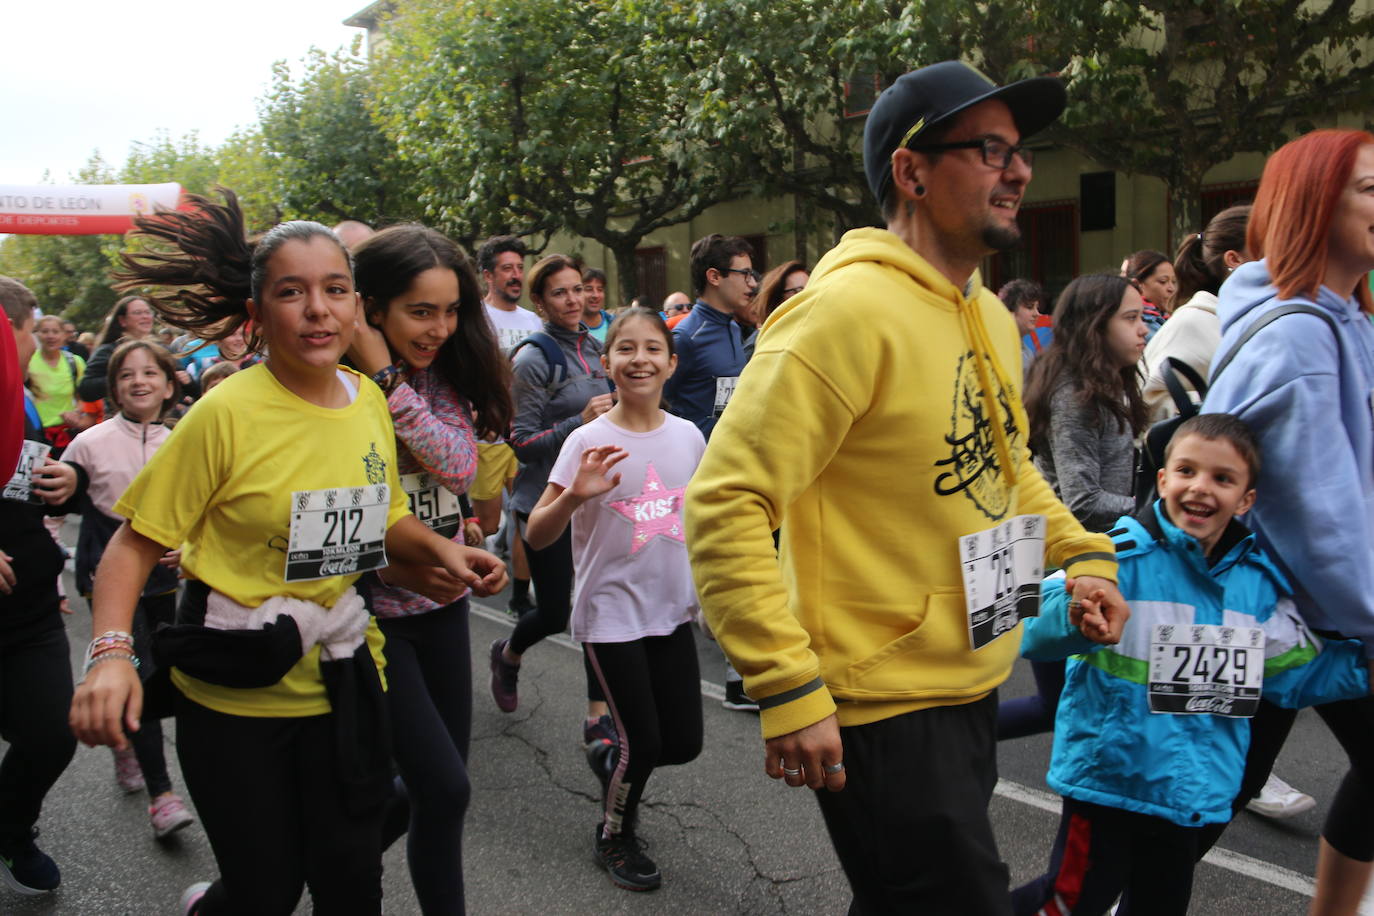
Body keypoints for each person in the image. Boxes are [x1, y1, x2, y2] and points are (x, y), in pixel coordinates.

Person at [685, 60, 1130, 913]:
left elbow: (1007, 476)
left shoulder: (991, 315)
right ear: (913, 171)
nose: (1021, 170)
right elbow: (725, 501)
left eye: (1020, 151)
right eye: (991, 149)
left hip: (969, 676)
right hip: (877, 702)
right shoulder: (840, 314)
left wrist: (1085, 556)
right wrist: (785, 683)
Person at [67, 190, 507, 916]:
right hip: (237, 695)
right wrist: (111, 655)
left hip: (345, 684)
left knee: (351, 884)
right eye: (292, 292)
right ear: (258, 313)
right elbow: (131, 547)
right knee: (266, 893)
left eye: (335, 290)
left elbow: (383, 512)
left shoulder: (368, 398)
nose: (317, 310)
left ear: (356, 306)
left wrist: (442, 551)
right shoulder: (223, 414)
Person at [1013, 414, 1370, 916]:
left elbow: (1295, 671)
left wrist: (1362, 669)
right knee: (1069, 902)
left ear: (1247, 499)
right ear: (1163, 479)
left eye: (1223, 479)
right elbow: (1027, 624)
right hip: (1108, 783)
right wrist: (1074, 616)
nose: (1201, 488)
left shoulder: (1258, 586)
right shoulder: (1117, 557)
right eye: (1187, 471)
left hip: (1193, 792)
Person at [1200, 129, 1374, 916]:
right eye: (1370, 189)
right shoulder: (1305, 333)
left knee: (1196, 803)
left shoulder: (1341, 319)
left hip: (1297, 616)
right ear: (1314, 204)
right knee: (1187, 806)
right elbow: (1325, 526)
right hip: (1291, 612)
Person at [347, 224, 511, 915]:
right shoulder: (337, 385)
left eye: (451, 310)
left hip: (443, 612)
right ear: (372, 310)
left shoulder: (441, 377)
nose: (441, 328)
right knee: (442, 788)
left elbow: (458, 468)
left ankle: (295, 872)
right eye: (422, 311)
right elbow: (315, 519)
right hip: (363, 622)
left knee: (436, 795)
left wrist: (458, 532)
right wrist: (382, 376)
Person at [526, 307, 705, 892]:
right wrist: (574, 495)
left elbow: (701, 521)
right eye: (625, 349)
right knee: (646, 741)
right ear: (606, 364)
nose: (639, 359)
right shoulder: (587, 440)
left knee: (682, 742)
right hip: (610, 615)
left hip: (671, 610)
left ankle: (612, 756)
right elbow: (537, 534)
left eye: (653, 348)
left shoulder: (689, 436)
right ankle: (614, 835)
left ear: (671, 363)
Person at [996, 275, 1148, 744]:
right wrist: (1149, 516)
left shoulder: (1109, 383)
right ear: (1095, 326)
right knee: (1056, 702)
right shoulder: (1073, 393)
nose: (1145, 329)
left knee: (1075, 699)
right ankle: (948, 745)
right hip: (1055, 565)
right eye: (1131, 318)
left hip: (1083, 559)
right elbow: (1081, 500)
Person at [61, 339, 195, 840]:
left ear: (168, 382)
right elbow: (62, 502)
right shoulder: (90, 442)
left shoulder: (184, 440)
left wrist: (192, 550)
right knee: (134, 670)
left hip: (164, 581)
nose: (139, 382)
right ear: (114, 387)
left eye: (149, 373)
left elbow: (203, 513)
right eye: (126, 375)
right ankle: (162, 797)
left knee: (163, 678)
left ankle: (127, 734)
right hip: (106, 580)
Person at [489, 255, 616, 756]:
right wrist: (580, 422)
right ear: (539, 303)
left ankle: (598, 721)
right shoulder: (533, 359)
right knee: (557, 612)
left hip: (595, 504)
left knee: (594, 611)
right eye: (560, 293)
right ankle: (509, 652)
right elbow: (521, 443)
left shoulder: (596, 347)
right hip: (545, 502)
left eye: (578, 290)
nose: (573, 300)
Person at [0, 276, 83, 895]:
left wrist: (65, 480)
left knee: (53, 731)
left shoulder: (21, 397)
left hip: (29, 604)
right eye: (32, 326)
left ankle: (10, 827)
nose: (36, 338)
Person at [665, 234, 760, 711]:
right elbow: (652, 399)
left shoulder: (737, 329)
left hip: (737, 470)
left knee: (737, 571)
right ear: (714, 276)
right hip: (693, 477)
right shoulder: (685, 336)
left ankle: (736, 677)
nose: (753, 282)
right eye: (744, 272)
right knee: (705, 580)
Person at [475, 234, 540, 616]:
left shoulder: (533, 321)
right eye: (507, 269)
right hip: (487, 437)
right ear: (488, 275)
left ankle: (519, 593)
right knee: (485, 523)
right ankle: (471, 563)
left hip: (523, 435)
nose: (516, 276)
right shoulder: (477, 319)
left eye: (519, 268)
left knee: (526, 514)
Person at [1141, 206, 1251, 422]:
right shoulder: (1194, 321)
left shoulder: (1250, 317)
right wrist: (1218, 407)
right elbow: (1149, 401)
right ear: (1234, 260)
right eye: (1269, 245)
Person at [78, 295, 158, 405]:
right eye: (138, 313)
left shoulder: (160, 349)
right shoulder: (108, 351)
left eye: (148, 312)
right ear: (122, 320)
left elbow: (185, 385)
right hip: (122, 417)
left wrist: (184, 380)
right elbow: (86, 389)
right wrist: (123, 377)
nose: (145, 317)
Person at [27, 315, 90, 454]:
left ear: (63, 335)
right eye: (45, 331)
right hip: (36, 436)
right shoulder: (28, 361)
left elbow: (85, 398)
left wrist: (76, 413)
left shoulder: (75, 362)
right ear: (37, 334)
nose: (50, 336)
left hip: (67, 435)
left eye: (55, 332)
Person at [742, 260, 808, 360]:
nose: (807, 296)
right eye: (797, 291)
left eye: (810, 289)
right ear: (776, 300)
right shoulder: (759, 346)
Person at [997, 278, 1045, 381]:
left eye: (1037, 308)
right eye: (1029, 307)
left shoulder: (1026, 350)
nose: (1037, 314)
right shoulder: (1000, 350)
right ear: (1010, 311)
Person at [1124, 249, 1176, 340]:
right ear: (1138, 284)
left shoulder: (1170, 317)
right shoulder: (1142, 323)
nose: (1171, 289)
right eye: (1163, 281)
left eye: (1173, 282)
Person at [580, 267, 614, 343]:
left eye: (600, 290)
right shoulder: (570, 329)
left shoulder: (615, 325)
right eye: (589, 289)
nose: (595, 295)